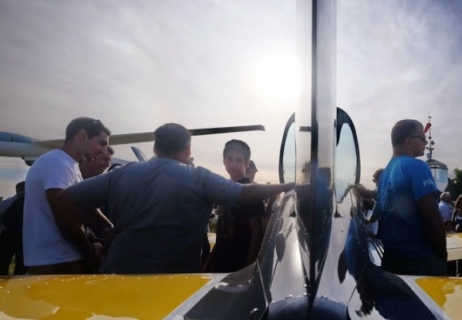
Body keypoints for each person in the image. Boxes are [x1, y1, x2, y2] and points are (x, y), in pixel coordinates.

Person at [57, 123, 293, 274]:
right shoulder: (197, 178)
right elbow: (245, 193)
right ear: (188, 150)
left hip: (118, 272)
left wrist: (106, 228)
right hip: (172, 280)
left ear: (155, 147)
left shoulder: (122, 174)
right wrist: (289, 185)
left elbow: (67, 199)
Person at [23, 117, 111, 275]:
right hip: (57, 261)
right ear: (83, 136)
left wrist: (94, 240)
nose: (103, 151)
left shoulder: (69, 164)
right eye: (101, 143)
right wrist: (89, 254)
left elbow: (77, 212)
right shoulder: (57, 163)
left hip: (62, 259)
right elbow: (64, 217)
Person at [375, 119, 447, 276]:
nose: (425, 143)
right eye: (422, 138)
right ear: (408, 141)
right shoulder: (416, 166)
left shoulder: (385, 173)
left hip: (392, 259)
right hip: (419, 260)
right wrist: (442, 255)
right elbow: (433, 221)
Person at [204, 140, 266, 273]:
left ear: (247, 162)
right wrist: (208, 263)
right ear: (224, 161)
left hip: (240, 265)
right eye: (229, 159)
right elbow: (222, 233)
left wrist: (248, 270)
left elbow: (257, 234)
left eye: (239, 160)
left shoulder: (251, 192)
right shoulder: (225, 190)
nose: (233, 164)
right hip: (220, 264)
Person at [0, 181, 25, 275]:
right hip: (7, 235)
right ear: (18, 191)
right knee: (3, 259)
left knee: (21, 260)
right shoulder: (5, 204)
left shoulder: (28, 203)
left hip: (21, 234)